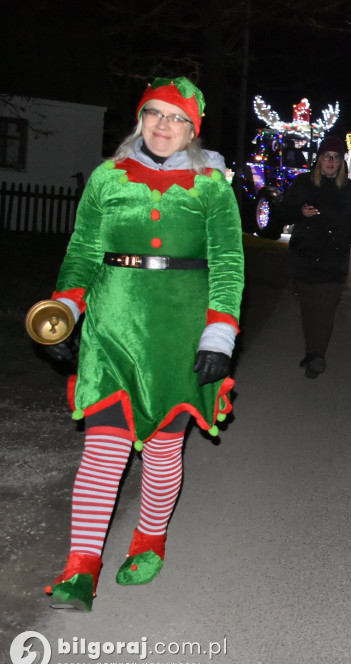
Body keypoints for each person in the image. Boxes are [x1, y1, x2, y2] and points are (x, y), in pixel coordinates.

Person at [39, 77, 245, 611]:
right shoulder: (108, 178)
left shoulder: (212, 186)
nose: (163, 126)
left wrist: (219, 336)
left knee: (160, 449)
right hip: (111, 328)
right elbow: (83, 252)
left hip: (178, 333)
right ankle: (80, 567)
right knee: (103, 450)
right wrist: (66, 313)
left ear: (192, 129)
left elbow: (228, 265)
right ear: (140, 119)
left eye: (176, 118)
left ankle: (149, 540)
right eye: (154, 114)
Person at [277, 136, 351, 379]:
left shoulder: (349, 189)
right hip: (304, 258)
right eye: (327, 156)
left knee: (324, 310)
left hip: (333, 261)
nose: (331, 161)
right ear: (319, 159)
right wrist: (299, 212)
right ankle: (312, 351)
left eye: (336, 157)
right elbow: (281, 213)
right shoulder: (303, 184)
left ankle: (317, 357)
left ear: (342, 161)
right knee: (308, 309)